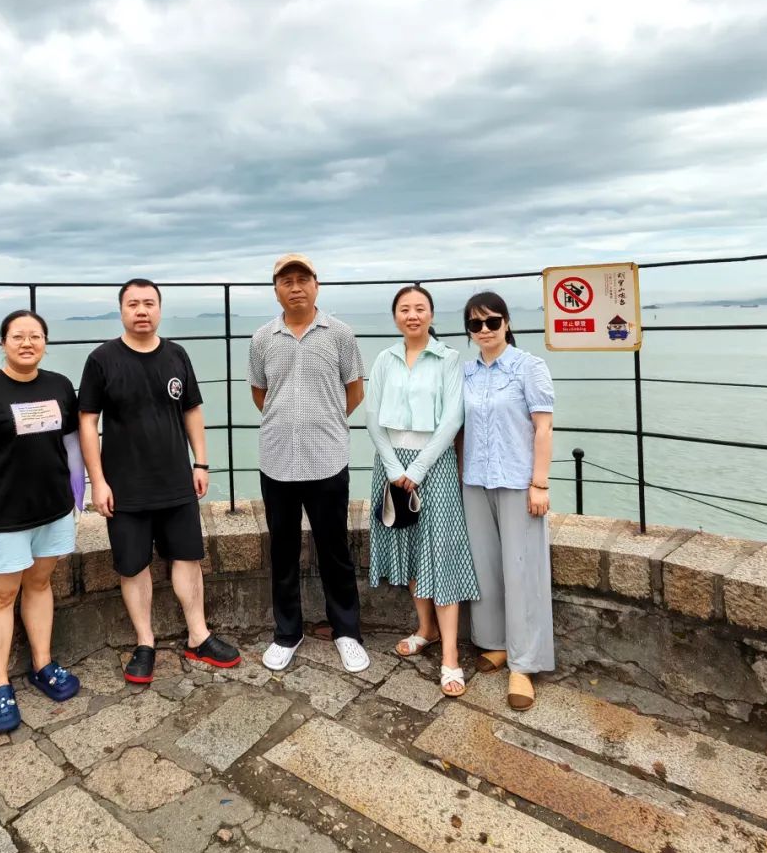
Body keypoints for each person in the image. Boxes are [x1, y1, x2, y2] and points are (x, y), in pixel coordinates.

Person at [78, 279, 240, 684]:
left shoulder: (176, 355)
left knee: (188, 557)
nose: (141, 310)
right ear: (121, 310)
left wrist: (201, 463)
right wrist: (97, 481)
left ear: (160, 309)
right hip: (125, 485)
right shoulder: (101, 359)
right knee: (133, 566)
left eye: (149, 303)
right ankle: (145, 643)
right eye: (133, 304)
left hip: (176, 479)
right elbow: (87, 422)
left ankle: (198, 635)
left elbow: (192, 410)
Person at [0, 310, 86, 733]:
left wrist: (78, 493)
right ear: (3, 342)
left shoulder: (60, 386)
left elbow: (72, 445)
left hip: (52, 508)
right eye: (18, 336)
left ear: (45, 342)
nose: (27, 343)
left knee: (40, 583)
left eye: (35, 336)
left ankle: (42, 664)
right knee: (0, 595)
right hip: (3, 515)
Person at [249, 254, 369, 673]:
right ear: (276, 290)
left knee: (335, 550)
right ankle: (287, 633)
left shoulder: (340, 334)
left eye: (303, 279)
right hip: (277, 460)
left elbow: (355, 391)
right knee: (282, 551)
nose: (295, 287)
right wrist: (289, 422)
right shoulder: (262, 338)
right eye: (287, 281)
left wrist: (326, 421)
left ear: (317, 285)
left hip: (327, 459)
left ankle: (347, 632)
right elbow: (260, 393)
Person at [365, 285, 478, 696]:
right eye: (404, 309)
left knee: (440, 553)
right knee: (410, 548)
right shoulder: (385, 358)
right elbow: (372, 416)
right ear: (396, 316)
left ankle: (450, 654)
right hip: (391, 464)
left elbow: (452, 419)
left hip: (435, 465)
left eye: (419, 308)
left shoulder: (448, 358)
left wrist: (417, 468)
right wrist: (395, 467)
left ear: (431, 314)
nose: (412, 315)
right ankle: (425, 629)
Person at [461, 290, 555, 710]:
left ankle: (524, 663)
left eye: (492, 321)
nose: (484, 330)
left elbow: (543, 427)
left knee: (522, 571)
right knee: (486, 567)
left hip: (518, 481)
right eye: (475, 323)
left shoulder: (528, 367)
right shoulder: (466, 373)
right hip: (474, 480)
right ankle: (496, 642)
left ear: (507, 323)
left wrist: (540, 484)